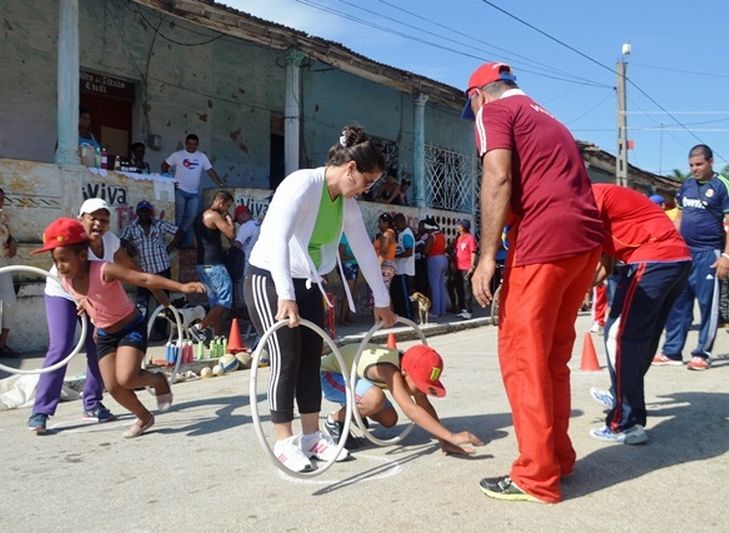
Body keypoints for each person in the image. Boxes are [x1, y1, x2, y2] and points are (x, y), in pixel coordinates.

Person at [464, 61, 605, 503]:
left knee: (523, 358)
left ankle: (536, 475)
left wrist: (487, 257)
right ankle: (558, 458)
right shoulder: (549, 117)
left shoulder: (495, 113)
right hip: (583, 244)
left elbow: (498, 175)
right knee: (551, 358)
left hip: (544, 241)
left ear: (477, 96)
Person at [243, 124, 397, 473]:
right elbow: (278, 238)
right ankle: (285, 440)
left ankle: (312, 437)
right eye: (365, 182)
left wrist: (382, 298)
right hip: (269, 277)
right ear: (350, 169)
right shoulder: (302, 184)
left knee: (311, 357)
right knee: (287, 356)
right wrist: (285, 294)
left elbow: (365, 254)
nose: (366, 189)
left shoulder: (348, 206)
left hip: (308, 282)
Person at [33, 218, 205, 437]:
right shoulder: (64, 278)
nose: (59, 266)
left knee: (127, 378)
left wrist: (180, 286)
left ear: (83, 255)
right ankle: (144, 417)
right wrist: (87, 310)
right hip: (105, 334)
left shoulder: (105, 270)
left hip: (130, 328)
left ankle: (158, 380)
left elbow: (143, 278)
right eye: (55, 261)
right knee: (113, 386)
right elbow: (87, 298)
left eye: (64, 260)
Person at [28, 198, 151, 434]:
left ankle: (92, 405)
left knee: (99, 345)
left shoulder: (110, 241)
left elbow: (130, 268)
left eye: (104, 219)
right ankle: (41, 411)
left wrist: (154, 286)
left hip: (91, 297)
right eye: (92, 218)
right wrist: (81, 299)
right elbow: (64, 275)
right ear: (80, 218)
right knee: (61, 347)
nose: (98, 223)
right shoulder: (69, 239)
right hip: (62, 293)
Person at [588, 184, 690, 444]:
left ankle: (625, 423)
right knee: (639, 339)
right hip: (675, 261)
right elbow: (604, 267)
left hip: (651, 259)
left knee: (618, 338)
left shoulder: (592, 195)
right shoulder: (607, 208)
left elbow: (579, 241)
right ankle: (620, 393)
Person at [320, 343, 482, 453]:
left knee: (390, 419)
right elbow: (411, 410)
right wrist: (452, 436)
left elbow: (423, 406)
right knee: (375, 399)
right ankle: (334, 421)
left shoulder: (409, 365)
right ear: (405, 373)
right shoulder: (389, 369)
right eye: (419, 384)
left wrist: (445, 441)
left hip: (357, 377)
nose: (420, 390)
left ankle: (353, 405)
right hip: (329, 374)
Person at [654, 145, 729, 371]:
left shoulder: (722, 186)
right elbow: (679, 218)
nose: (694, 169)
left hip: (709, 253)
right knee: (678, 302)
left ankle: (702, 353)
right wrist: (671, 246)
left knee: (708, 306)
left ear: (710, 162)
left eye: (699, 164)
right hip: (685, 253)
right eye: (691, 165)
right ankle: (672, 351)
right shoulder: (686, 185)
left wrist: (726, 255)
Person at [120, 200, 182, 319]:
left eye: (146, 211)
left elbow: (179, 232)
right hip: (144, 272)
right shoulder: (132, 227)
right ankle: (143, 331)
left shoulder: (160, 224)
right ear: (137, 213)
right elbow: (122, 240)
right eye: (141, 211)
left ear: (150, 213)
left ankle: (160, 334)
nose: (144, 214)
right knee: (142, 304)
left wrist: (170, 247)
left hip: (162, 268)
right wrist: (129, 246)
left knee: (163, 304)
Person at [161, 134, 225, 248]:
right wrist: (169, 180)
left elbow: (209, 170)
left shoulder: (202, 156)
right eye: (190, 144)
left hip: (194, 193)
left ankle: (180, 240)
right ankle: (176, 243)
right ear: (186, 143)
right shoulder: (177, 155)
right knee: (179, 216)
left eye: (194, 144)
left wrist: (220, 183)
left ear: (197, 145)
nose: (192, 146)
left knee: (192, 216)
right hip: (179, 190)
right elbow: (164, 165)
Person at [190, 191, 236, 340]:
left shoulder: (199, 218)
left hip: (202, 264)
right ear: (220, 201)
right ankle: (200, 328)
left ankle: (218, 335)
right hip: (214, 265)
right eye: (227, 206)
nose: (226, 210)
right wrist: (229, 220)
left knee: (215, 302)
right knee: (225, 299)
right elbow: (231, 235)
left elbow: (195, 243)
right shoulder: (213, 216)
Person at [0, 188, 18, 356]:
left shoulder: (4, 218)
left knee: (9, 302)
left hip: (3, 262)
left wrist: (12, 241)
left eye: (1, 199)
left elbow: (8, 238)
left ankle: (2, 344)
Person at [391, 213, 415, 319]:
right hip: (400, 269)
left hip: (405, 270)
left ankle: (409, 316)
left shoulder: (406, 235)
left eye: (397, 224)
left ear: (401, 222)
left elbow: (409, 252)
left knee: (406, 296)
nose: (396, 227)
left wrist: (397, 256)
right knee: (400, 294)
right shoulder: (402, 234)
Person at [454, 219, 478, 319]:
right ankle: (462, 308)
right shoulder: (459, 238)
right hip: (458, 267)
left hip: (466, 268)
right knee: (459, 289)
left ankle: (468, 310)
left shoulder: (470, 238)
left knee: (467, 289)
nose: (457, 227)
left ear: (463, 227)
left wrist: (472, 266)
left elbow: (473, 252)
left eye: (459, 225)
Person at [425, 218, 448, 318]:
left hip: (434, 260)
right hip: (443, 259)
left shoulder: (431, 236)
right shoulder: (441, 235)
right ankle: (442, 309)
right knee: (441, 286)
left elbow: (425, 251)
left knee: (434, 286)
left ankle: (435, 311)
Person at [233, 204, 260, 276]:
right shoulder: (259, 224)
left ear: (243, 215)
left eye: (238, 219)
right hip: (259, 264)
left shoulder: (247, 225)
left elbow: (237, 245)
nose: (239, 223)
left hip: (247, 263)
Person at [337, 234, 358, 325]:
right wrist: (355, 256)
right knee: (348, 292)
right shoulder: (344, 237)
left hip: (353, 265)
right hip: (347, 266)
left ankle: (347, 316)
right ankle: (342, 318)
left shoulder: (354, 236)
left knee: (352, 292)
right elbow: (340, 256)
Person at [374, 212, 397, 293]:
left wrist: (377, 265)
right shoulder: (387, 233)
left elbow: (383, 251)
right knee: (385, 292)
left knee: (383, 292)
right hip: (386, 264)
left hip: (386, 265)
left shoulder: (387, 234)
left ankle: (386, 306)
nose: (378, 225)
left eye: (380, 222)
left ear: (386, 223)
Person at [413, 220, 431, 299]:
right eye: (419, 225)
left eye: (421, 226)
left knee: (422, 283)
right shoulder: (417, 235)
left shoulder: (427, 236)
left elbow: (424, 249)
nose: (419, 227)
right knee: (418, 283)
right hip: (416, 261)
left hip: (422, 262)